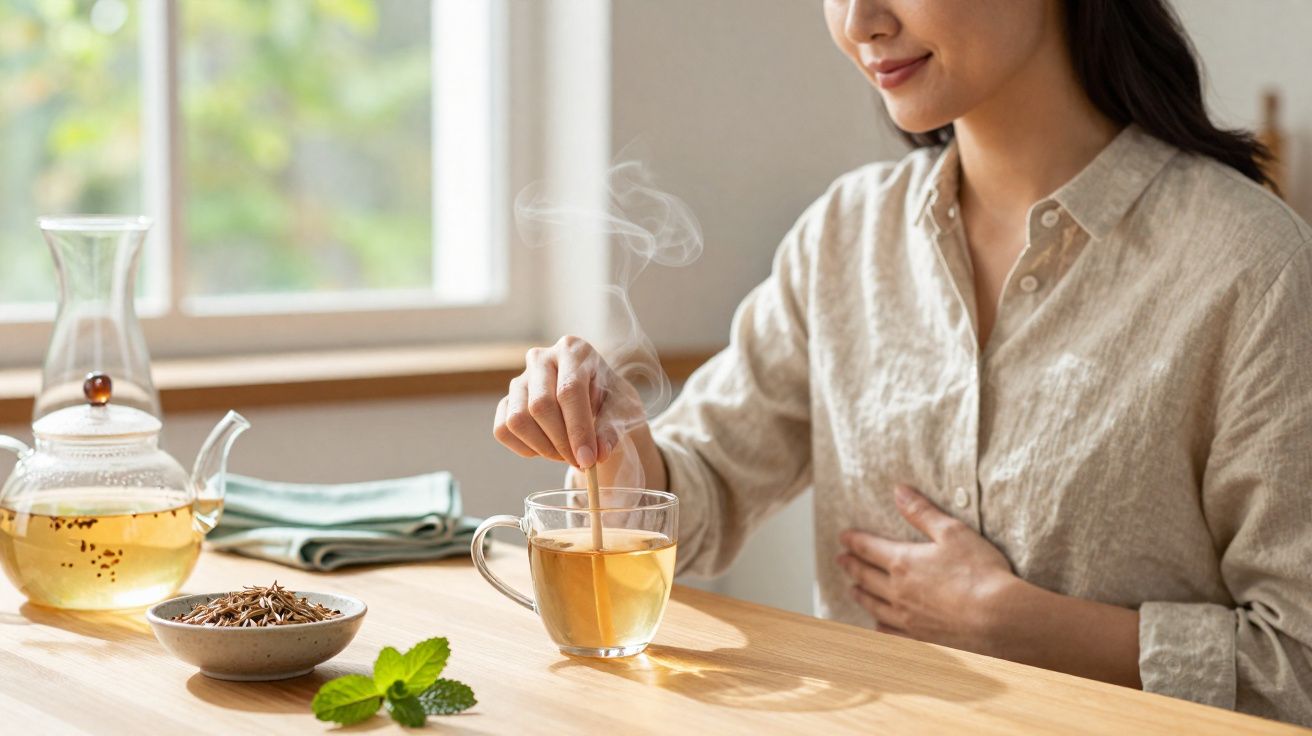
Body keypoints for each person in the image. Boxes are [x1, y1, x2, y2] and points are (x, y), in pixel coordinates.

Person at [492, 0, 1312, 724]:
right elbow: (692, 494)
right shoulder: (845, 235)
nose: (858, 22)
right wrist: (613, 438)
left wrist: (1026, 626)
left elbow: (1298, 665)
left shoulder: (1247, 263)